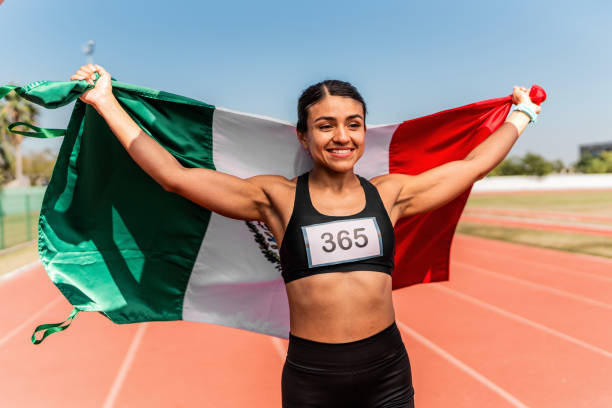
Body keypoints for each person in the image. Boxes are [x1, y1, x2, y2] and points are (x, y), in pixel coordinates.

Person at [70, 64, 541, 407]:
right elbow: (174, 176)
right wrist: (106, 101)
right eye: (326, 125)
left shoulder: (391, 194)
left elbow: (473, 165)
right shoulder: (276, 198)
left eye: (353, 125)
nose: (342, 136)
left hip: (387, 372)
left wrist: (522, 114)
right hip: (314, 379)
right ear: (303, 136)